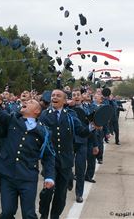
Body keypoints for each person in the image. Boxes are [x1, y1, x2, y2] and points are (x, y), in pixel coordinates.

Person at [0, 83, 55, 219]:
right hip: (7, 174)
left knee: (29, 214)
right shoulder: (13, 120)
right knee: (7, 213)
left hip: (27, 177)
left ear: (37, 111)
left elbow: (49, 156)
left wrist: (49, 176)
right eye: (27, 101)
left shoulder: (44, 132)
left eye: (32, 102)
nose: (27, 102)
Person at [38, 89, 100, 219]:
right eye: (53, 95)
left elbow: (82, 132)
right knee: (48, 191)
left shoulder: (71, 116)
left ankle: (55, 216)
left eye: (58, 95)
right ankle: (43, 215)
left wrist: (92, 126)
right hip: (50, 160)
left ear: (65, 101)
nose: (54, 97)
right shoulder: (44, 115)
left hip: (66, 161)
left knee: (61, 195)